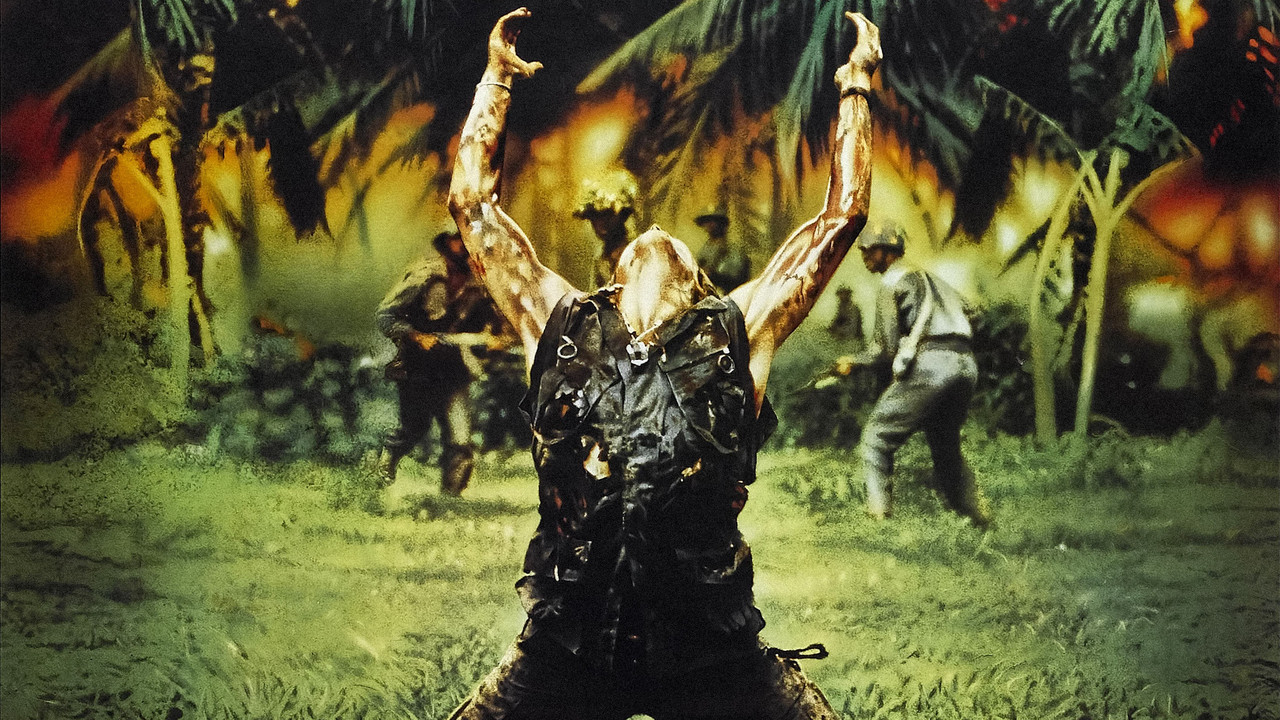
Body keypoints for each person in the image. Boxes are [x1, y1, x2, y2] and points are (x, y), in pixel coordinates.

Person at [445, 7, 879, 718]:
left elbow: (842, 216)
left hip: (709, 647)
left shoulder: (739, 331)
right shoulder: (561, 323)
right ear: (611, 284)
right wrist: (495, 80)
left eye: (678, 249)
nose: (655, 234)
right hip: (569, 643)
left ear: (702, 287)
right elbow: (472, 206)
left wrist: (854, 86)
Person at [849, 224, 991, 526]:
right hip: (966, 365)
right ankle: (978, 518)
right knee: (945, 444)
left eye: (871, 249)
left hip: (931, 365)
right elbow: (976, 315)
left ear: (889, 253)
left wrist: (853, 362)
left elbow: (884, 350)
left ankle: (878, 519)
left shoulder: (891, 283)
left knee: (876, 437)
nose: (865, 255)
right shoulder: (935, 281)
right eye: (864, 250)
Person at [375, 230, 508, 496]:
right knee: (414, 429)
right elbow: (385, 316)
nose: (465, 244)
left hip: (454, 368)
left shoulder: (479, 280)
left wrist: (497, 338)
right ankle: (385, 464)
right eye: (459, 238)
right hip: (418, 367)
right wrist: (414, 335)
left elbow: (498, 321)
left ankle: (451, 498)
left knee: (460, 439)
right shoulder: (423, 276)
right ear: (447, 242)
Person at [573, 170, 638, 288]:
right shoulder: (601, 260)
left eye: (607, 215)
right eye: (594, 217)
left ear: (623, 215)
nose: (600, 224)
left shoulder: (638, 252)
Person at [693, 205, 751, 293]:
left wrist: (712, 275)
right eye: (707, 221)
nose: (709, 225)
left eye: (714, 221)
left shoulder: (734, 250)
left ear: (722, 224)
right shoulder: (705, 249)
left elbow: (735, 278)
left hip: (726, 295)